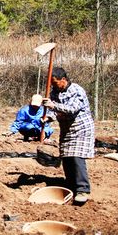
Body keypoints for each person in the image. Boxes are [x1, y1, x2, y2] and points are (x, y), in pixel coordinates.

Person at [42, 67, 94, 205]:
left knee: (77, 158)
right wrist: (49, 117)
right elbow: (54, 111)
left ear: (63, 80)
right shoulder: (54, 92)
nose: (53, 86)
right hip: (67, 129)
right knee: (67, 158)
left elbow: (72, 109)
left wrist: (53, 106)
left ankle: (83, 189)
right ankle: (71, 185)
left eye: (55, 83)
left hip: (81, 129)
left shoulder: (77, 91)